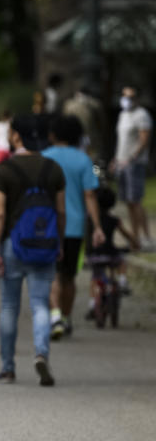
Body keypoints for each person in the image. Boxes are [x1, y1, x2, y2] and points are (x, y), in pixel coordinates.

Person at [0, 115, 66, 386]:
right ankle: (41, 354)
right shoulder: (53, 168)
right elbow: (60, 210)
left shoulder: (4, 169)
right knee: (40, 303)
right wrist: (59, 241)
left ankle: (8, 367)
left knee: (9, 306)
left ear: (17, 137)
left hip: (12, 243)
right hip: (44, 244)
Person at [42, 115, 106, 338]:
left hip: (48, 226)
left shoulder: (44, 157)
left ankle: (55, 316)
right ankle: (66, 319)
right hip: (74, 228)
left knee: (51, 274)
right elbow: (90, 194)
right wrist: (97, 226)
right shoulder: (84, 160)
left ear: (53, 134)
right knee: (69, 276)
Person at [112, 86, 153, 250]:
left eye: (130, 96)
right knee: (128, 201)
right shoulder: (123, 115)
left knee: (135, 200)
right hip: (121, 162)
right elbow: (121, 141)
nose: (126, 99)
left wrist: (132, 157)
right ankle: (135, 236)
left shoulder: (142, 115)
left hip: (134, 164)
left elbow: (144, 140)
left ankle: (144, 236)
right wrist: (116, 159)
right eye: (124, 95)